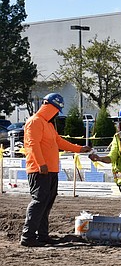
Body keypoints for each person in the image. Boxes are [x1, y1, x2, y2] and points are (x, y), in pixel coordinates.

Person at [20, 93, 92, 247]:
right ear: (50, 107)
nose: (57, 114)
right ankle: (28, 237)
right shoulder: (34, 122)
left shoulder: (48, 124)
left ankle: (42, 236)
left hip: (51, 171)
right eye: (57, 110)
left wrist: (79, 149)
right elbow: (32, 145)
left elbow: (59, 142)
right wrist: (41, 164)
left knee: (46, 203)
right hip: (39, 171)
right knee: (39, 201)